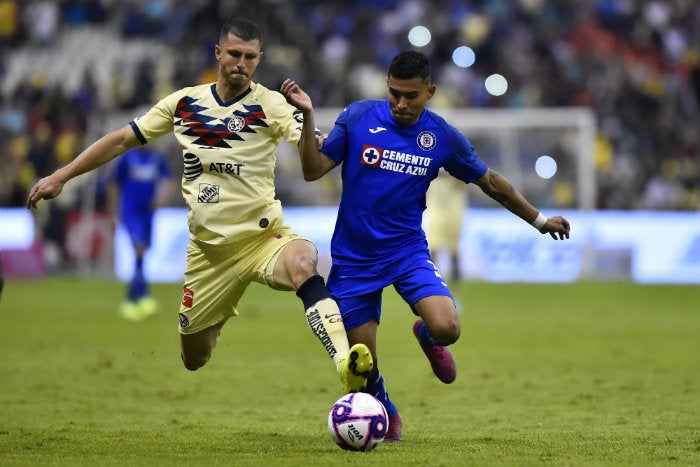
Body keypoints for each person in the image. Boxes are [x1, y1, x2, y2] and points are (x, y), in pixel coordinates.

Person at [26, 18, 373, 395]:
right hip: (208, 255)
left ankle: (345, 365)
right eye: (235, 54)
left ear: (259, 60)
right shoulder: (184, 103)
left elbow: (315, 155)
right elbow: (121, 139)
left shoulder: (271, 105)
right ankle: (216, 314)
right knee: (194, 358)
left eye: (250, 57)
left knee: (304, 262)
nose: (242, 63)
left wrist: (306, 117)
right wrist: (62, 175)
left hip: (263, 240)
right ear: (218, 53)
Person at [280, 50, 571, 442]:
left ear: (430, 91)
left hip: (406, 252)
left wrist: (539, 220)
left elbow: (491, 182)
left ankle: (427, 337)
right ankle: (386, 408)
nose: (400, 103)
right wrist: (309, 116)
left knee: (447, 326)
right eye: (394, 93)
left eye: (411, 96)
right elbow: (313, 170)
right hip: (354, 260)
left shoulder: (442, 137)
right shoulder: (358, 117)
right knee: (360, 365)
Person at [107, 145, 175, 321]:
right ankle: (144, 297)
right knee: (139, 249)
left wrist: (162, 199)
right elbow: (114, 184)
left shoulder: (156, 158)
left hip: (148, 214)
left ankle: (130, 300)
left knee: (143, 253)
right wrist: (112, 213)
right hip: (130, 212)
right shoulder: (127, 158)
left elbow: (171, 181)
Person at [425, 168, 468, 283]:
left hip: (453, 216)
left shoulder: (456, 177)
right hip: (436, 215)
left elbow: (463, 181)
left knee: (454, 249)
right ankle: (432, 276)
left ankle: (455, 278)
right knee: (433, 247)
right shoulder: (432, 176)